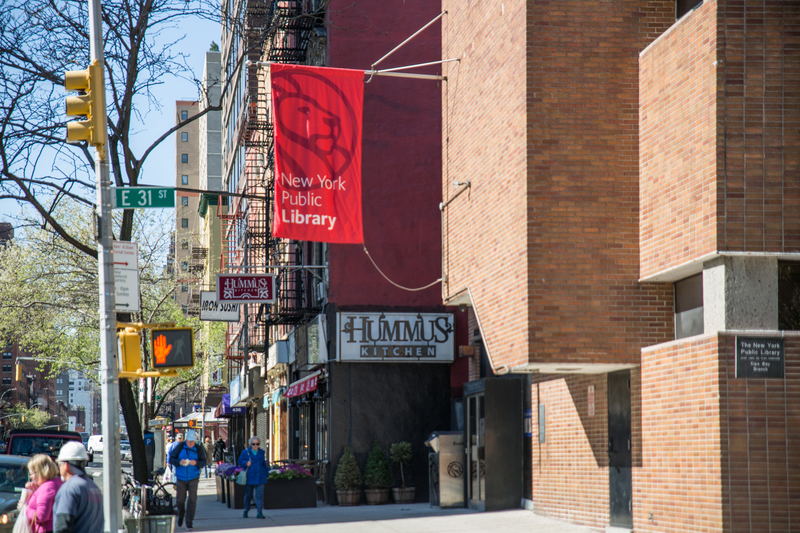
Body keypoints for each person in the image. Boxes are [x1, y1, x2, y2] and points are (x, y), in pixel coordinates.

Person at [53, 442, 103, 533]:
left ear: (66, 465)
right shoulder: (93, 486)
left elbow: (63, 525)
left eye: (60, 464)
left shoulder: (70, 488)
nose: (59, 468)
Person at [169, 429, 206, 531]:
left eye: (192, 441)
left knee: (192, 500)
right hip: (181, 477)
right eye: (189, 441)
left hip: (194, 477)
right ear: (186, 439)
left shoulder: (198, 448)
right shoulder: (180, 447)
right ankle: (181, 514)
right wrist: (179, 462)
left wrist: (196, 463)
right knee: (180, 500)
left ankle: (189, 523)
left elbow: (204, 462)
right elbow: (171, 459)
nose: (190, 443)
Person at [21, 454, 62, 533]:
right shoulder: (57, 482)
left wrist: (25, 508)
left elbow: (41, 516)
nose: (30, 477)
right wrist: (36, 490)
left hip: (47, 529)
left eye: (31, 473)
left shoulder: (46, 488)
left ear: (39, 472)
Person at [237, 436, 269, 519]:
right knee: (248, 495)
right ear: (250, 444)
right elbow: (240, 461)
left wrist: (267, 474)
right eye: (253, 444)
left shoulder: (261, 452)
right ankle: (246, 510)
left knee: (259, 494)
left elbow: (264, 464)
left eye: (257, 444)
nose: (255, 446)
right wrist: (246, 463)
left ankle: (259, 512)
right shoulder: (245, 452)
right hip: (249, 476)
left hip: (260, 476)